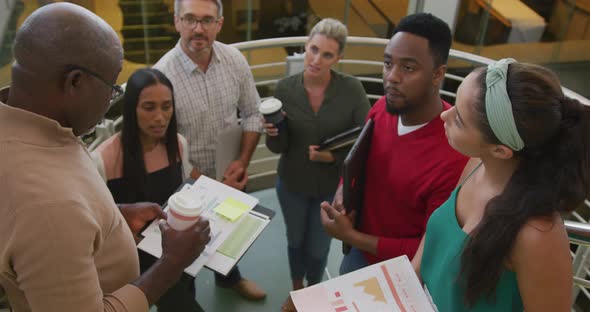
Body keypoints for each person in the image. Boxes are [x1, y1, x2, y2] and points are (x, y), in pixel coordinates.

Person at [0, 3, 210, 311]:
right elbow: (57, 218)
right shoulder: (49, 204)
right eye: (112, 88)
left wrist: (115, 216)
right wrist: (172, 262)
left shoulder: (37, 130)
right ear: (75, 82)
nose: (110, 101)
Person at [411, 59, 589, 311]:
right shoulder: (476, 166)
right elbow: (433, 243)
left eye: (459, 119)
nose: (444, 114)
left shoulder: (537, 234)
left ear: (501, 150)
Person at [320, 13, 469, 274]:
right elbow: (358, 164)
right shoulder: (379, 109)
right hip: (357, 256)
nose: (392, 77)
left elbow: (431, 247)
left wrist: (351, 237)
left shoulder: (455, 154)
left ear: (438, 75)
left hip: (404, 275)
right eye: (388, 63)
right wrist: (342, 194)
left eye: (408, 68)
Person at [153, 0, 266, 300]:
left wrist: (242, 162)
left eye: (207, 20)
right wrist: (203, 181)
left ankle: (229, 278)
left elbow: (253, 112)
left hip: (230, 174)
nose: (198, 29)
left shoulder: (235, 60)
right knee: (182, 256)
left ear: (220, 23)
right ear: (177, 21)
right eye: (190, 19)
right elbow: (160, 143)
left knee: (229, 235)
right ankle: (185, 300)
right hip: (183, 183)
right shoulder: (161, 76)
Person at [264, 18, 371, 311]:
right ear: (305, 46)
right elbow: (277, 148)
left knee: (319, 246)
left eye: (326, 54)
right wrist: (272, 133)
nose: (316, 59)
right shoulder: (284, 89)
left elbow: (365, 139)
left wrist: (332, 158)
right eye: (313, 50)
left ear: (338, 58)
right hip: (292, 183)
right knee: (295, 240)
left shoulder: (352, 89)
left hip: (330, 187)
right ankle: (297, 290)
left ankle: (314, 294)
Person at [92, 68, 203, 311]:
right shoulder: (103, 159)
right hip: (135, 261)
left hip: (176, 247)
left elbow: (184, 190)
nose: (161, 117)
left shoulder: (178, 145)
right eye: (149, 107)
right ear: (132, 109)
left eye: (166, 106)